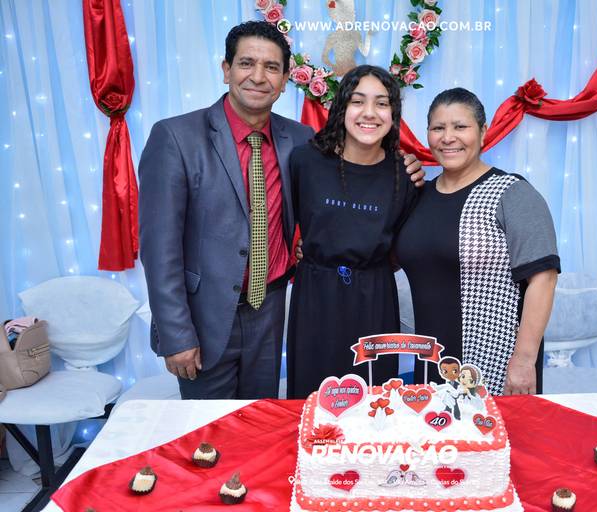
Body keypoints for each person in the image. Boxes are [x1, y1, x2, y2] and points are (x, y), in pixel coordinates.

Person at [139, 21, 425, 399]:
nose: (258, 77)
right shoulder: (176, 137)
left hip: (271, 311)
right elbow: (159, 248)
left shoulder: (300, 142)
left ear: (286, 79)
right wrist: (176, 335)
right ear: (226, 69)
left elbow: (339, 192)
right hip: (205, 316)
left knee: (264, 420)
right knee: (212, 427)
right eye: (246, 63)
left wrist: (403, 165)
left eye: (271, 67)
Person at [395, 88, 560, 396]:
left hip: (496, 362)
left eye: (460, 126)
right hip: (432, 360)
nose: (448, 137)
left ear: (483, 132)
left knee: (493, 428)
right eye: (438, 128)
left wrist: (524, 361)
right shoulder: (418, 195)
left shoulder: (511, 192)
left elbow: (544, 278)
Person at [286, 65, 417, 399]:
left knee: (374, 402)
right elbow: (281, 220)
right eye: (358, 101)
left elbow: (407, 243)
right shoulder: (305, 160)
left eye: (381, 103)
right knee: (313, 400)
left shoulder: (404, 173)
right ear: (342, 107)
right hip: (315, 297)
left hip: (375, 301)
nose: (369, 113)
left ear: (393, 113)